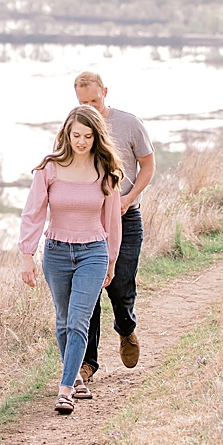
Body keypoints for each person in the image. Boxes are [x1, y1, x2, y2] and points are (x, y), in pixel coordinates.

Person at [18, 105, 125, 415]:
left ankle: (65, 391)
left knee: (79, 320)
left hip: (93, 252)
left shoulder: (106, 171)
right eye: (76, 135)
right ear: (66, 134)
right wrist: (27, 255)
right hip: (56, 252)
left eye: (88, 136)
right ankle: (74, 374)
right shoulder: (49, 169)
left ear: (96, 137)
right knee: (63, 321)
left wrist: (113, 260)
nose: (81, 141)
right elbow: (33, 213)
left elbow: (111, 222)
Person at [73, 71, 155, 392]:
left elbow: (148, 166)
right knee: (89, 290)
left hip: (126, 217)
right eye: (83, 103)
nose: (90, 108)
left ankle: (126, 328)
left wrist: (128, 198)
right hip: (90, 222)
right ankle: (88, 363)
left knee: (120, 286)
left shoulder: (129, 124)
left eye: (95, 100)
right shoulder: (77, 129)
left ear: (105, 92)